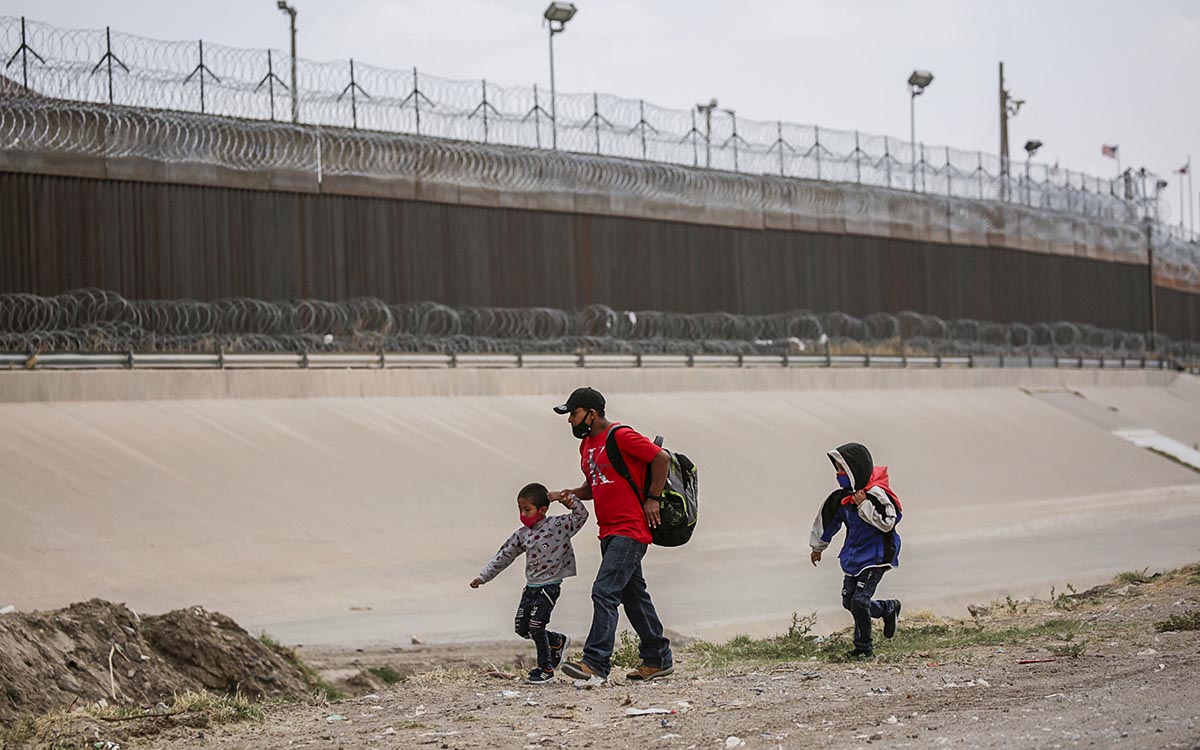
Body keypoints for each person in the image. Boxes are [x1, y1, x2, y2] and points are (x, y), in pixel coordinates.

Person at [548, 386, 674, 683]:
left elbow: (661, 459)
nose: (570, 421)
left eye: (574, 414)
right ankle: (658, 658)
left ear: (591, 414)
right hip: (608, 530)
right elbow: (597, 485)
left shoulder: (620, 435)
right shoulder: (587, 445)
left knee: (604, 591)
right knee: (634, 597)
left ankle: (596, 663)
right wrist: (570, 493)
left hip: (630, 528)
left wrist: (653, 498)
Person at [470, 482, 589, 684]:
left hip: (550, 585)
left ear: (542, 510)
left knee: (536, 626)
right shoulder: (522, 534)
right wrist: (483, 577)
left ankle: (546, 670)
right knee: (522, 628)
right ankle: (557, 641)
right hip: (531, 587)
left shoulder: (559, 526)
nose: (523, 514)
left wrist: (564, 498)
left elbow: (581, 516)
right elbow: (504, 556)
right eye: (520, 509)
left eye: (527, 510)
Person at [809, 441, 903, 659]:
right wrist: (818, 547)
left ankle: (863, 649)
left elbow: (888, 522)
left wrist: (863, 505)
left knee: (860, 601)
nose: (838, 474)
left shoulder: (877, 494)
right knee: (849, 602)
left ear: (855, 468)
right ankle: (887, 609)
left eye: (842, 469)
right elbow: (826, 522)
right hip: (854, 556)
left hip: (877, 556)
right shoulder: (840, 498)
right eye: (837, 469)